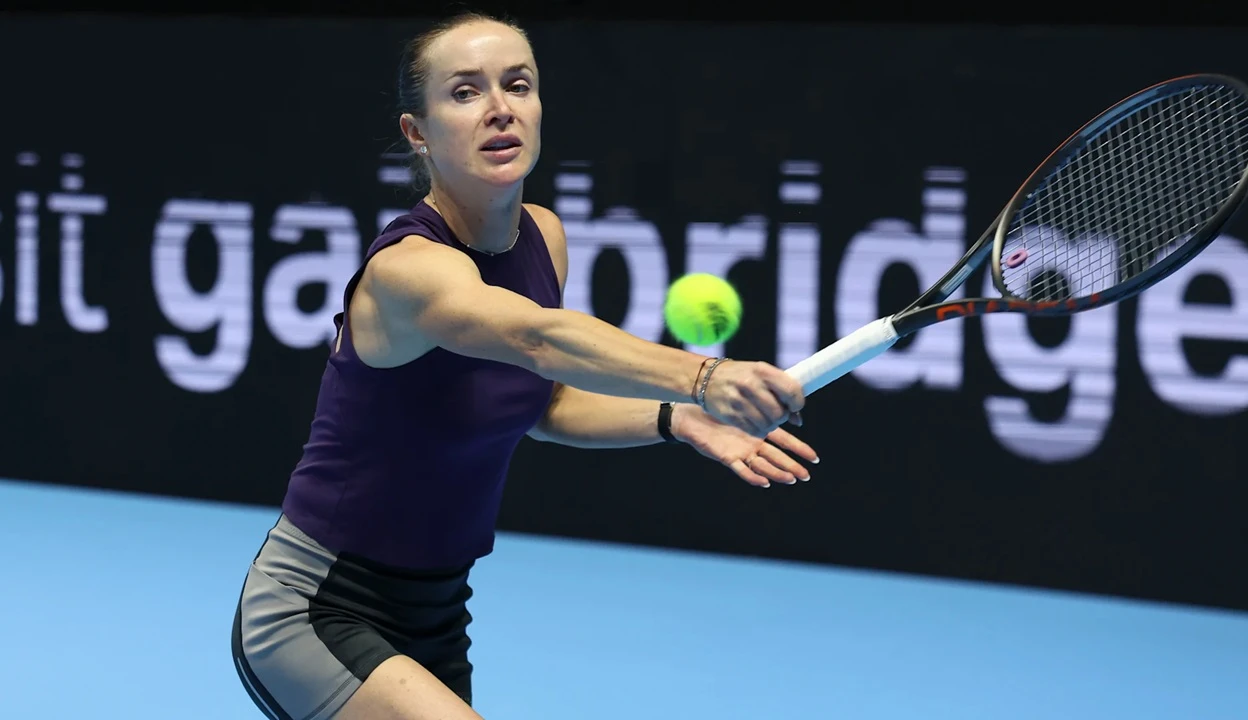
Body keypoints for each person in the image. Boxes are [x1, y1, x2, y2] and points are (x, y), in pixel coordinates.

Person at [231, 11, 819, 720]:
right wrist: (702, 376)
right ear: (417, 132)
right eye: (465, 92)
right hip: (317, 605)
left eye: (517, 85)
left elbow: (545, 403)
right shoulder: (408, 270)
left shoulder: (544, 236)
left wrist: (679, 419)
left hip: (438, 612)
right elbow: (539, 339)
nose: (500, 108)